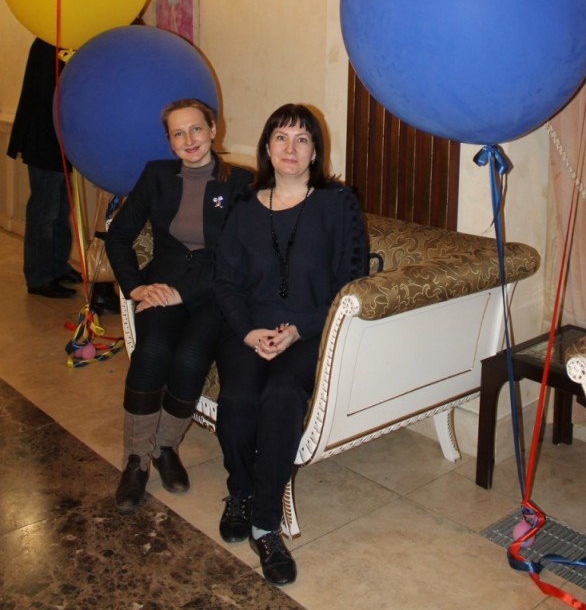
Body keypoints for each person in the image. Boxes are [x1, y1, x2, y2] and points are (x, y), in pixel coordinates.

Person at [213, 103, 368, 586]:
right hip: (247, 329)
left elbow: (351, 280)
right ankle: (239, 491)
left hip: (309, 331)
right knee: (238, 399)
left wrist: (299, 328)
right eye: (281, 137)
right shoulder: (243, 205)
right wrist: (246, 331)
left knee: (281, 397)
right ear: (267, 147)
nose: (290, 148)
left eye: (302, 139)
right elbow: (225, 281)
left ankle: (264, 523)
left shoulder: (337, 203)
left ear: (315, 152)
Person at [104, 98, 252, 514]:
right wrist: (136, 287)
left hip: (214, 291)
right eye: (178, 133)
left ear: (213, 129)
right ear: (169, 141)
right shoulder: (156, 175)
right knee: (151, 352)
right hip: (160, 284)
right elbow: (119, 235)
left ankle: (165, 447)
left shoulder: (241, 182)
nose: (189, 140)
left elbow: (235, 256)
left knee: (189, 359)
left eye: (196, 129)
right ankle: (136, 460)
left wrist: (181, 292)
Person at [7, 38, 79, 298]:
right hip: (44, 139)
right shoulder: (49, 42)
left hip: (56, 141)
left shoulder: (58, 40)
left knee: (59, 208)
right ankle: (39, 277)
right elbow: (47, 96)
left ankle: (58, 267)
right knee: (44, 211)